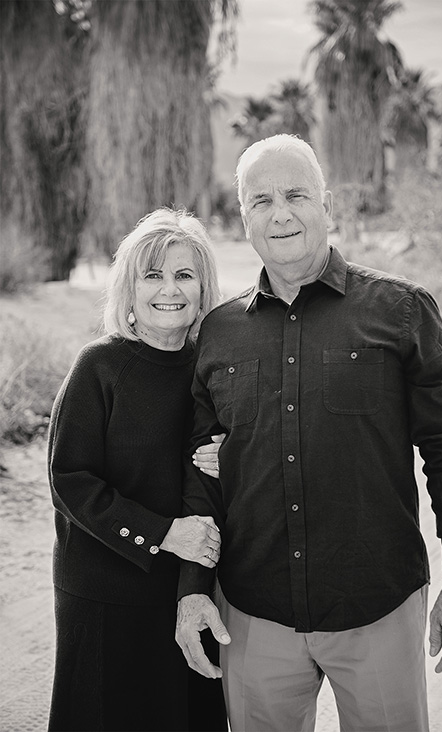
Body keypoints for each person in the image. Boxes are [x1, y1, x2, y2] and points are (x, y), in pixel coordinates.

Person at [174, 134, 442, 732]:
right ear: (243, 217)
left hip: (376, 606)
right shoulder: (217, 332)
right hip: (253, 612)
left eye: (296, 195)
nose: (280, 213)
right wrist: (193, 590)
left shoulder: (402, 311)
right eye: (260, 200)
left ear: (328, 204)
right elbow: (200, 474)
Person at [47, 209, 228, 730]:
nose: (169, 289)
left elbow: (213, 473)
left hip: (189, 587)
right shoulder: (99, 367)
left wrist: (234, 459)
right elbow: (70, 480)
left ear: (202, 289)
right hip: (105, 595)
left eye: (184, 275)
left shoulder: (212, 370)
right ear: (130, 289)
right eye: (153, 275)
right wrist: (162, 533)